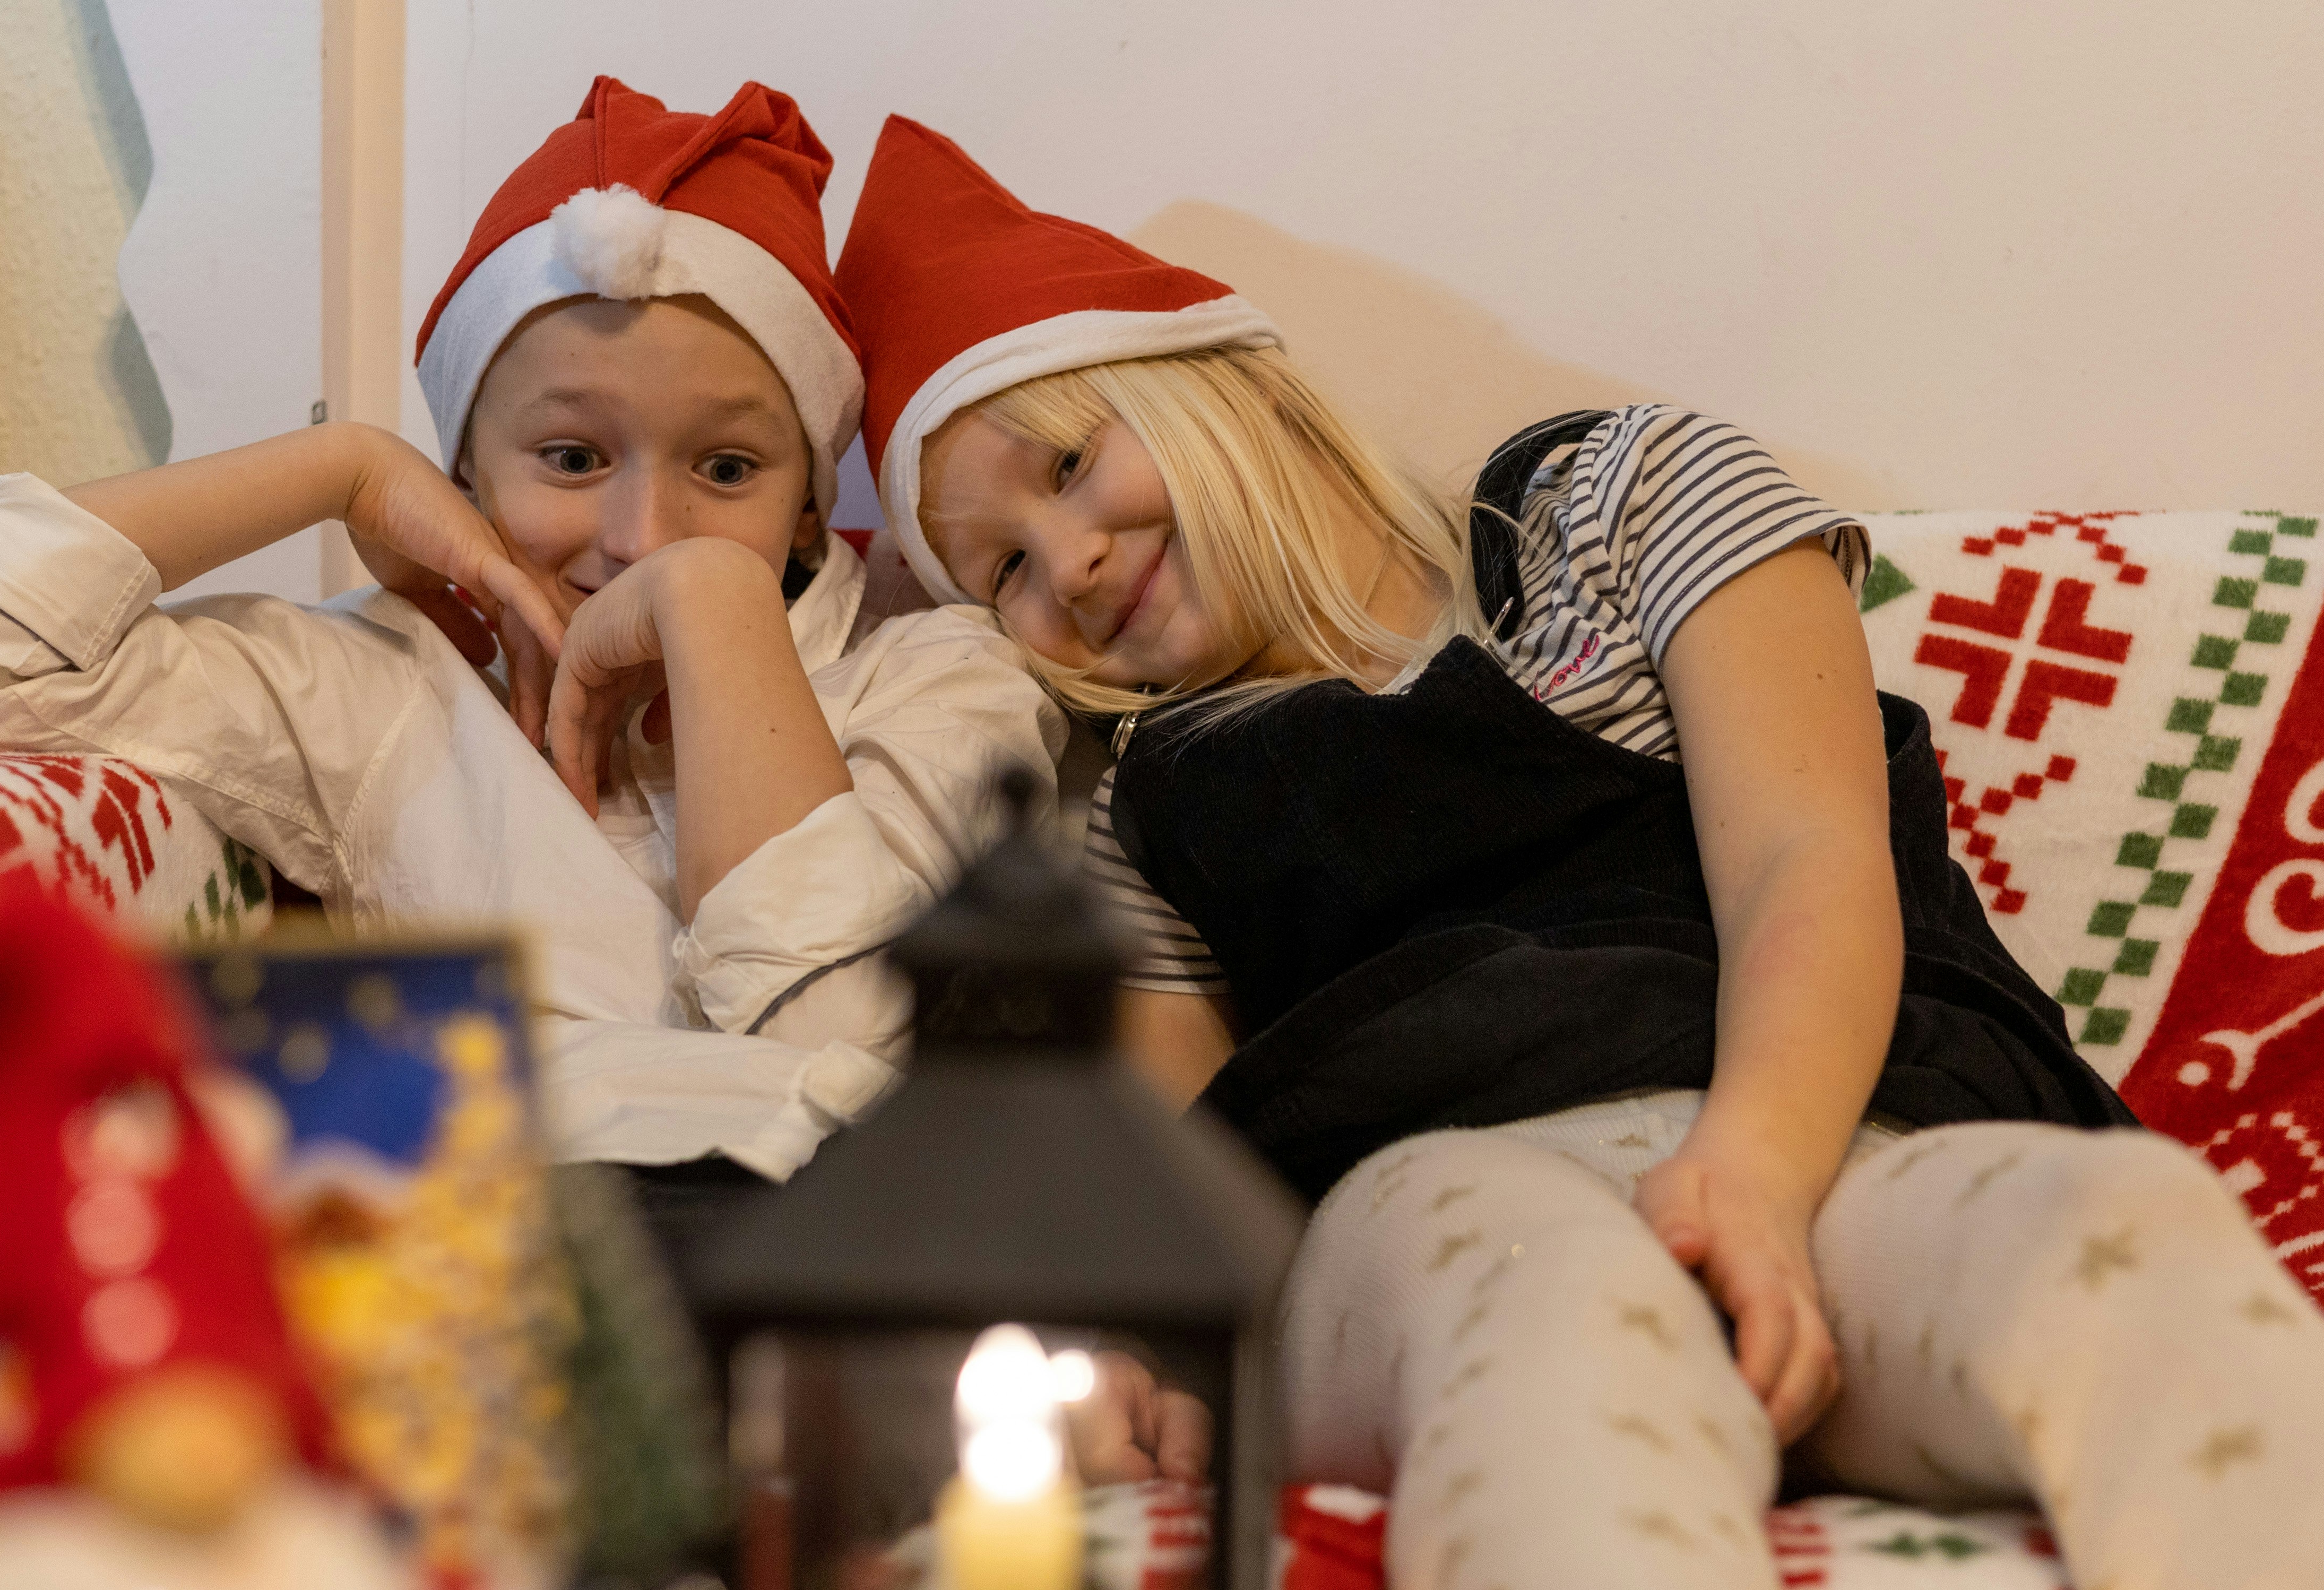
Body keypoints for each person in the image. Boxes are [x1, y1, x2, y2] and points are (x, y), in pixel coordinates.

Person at [830, 116, 2324, 1589]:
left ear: (1218, 382)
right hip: (1421, 1207)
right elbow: (1151, 1161)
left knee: (2124, 1228)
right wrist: (1110, 1350)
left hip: (1830, 1129)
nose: (1069, 559)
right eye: (1001, 567)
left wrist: (1749, 1169)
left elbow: (1803, 852)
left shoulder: (1618, 502)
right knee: (1565, 1308)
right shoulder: (1133, 810)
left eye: (1074, 462)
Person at [0, 80, 1063, 1190]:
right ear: (468, 467)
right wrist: (344, 467)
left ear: (810, 496)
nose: (644, 536)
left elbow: (837, 1063)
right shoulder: (390, 685)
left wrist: (715, 610)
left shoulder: (938, 683)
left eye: (727, 466)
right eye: (570, 457)